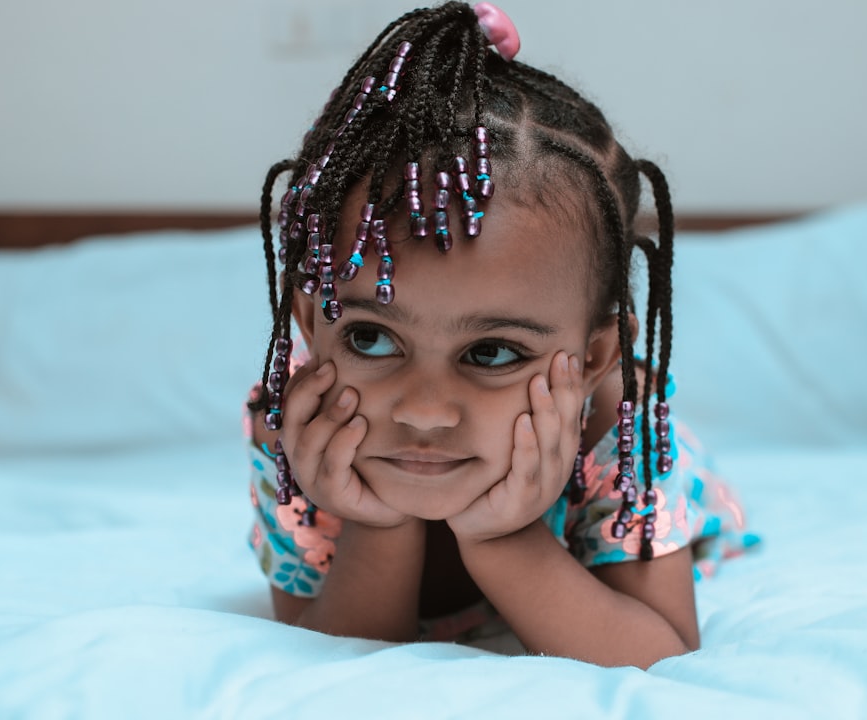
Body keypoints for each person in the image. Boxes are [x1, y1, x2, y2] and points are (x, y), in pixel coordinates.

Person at [244, 1, 754, 668]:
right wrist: (378, 526)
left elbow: (660, 654)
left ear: (597, 356)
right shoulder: (296, 433)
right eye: (371, 338)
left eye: (492, 353)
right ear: (311, 323)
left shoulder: (619, 433)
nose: (424, 411)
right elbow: (321, 651)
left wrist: (502, 539)